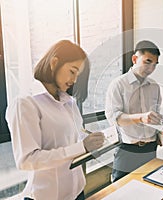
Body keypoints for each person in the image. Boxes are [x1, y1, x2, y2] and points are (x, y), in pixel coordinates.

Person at [6, 40, 105, 200]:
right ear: (54, 63)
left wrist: (90, 142)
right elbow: (27, 160)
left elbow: (73, 140)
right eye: (72, 72)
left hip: (77, 190)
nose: (74, 80)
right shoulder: (25, 103)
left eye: (77, 75)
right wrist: (81, 147)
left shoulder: (69, 102)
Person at [105, 40, 163, 182]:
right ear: (134, 59)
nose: (151, 68)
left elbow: (157, 115)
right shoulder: (118, 85)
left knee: (149, 190)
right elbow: (115, 118)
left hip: (150, 149)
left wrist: (162, 129)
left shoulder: (154, 86)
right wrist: (141, 118)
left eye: (155, 64)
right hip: (127, 150)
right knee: (120, 191)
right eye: (147, 62)